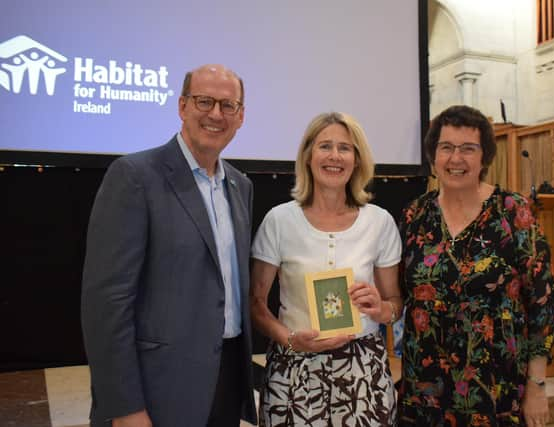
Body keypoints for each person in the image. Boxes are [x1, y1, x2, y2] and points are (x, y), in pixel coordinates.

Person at [81, 64, 257, 427]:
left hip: (225, 383)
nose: (215, 114)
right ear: (181, 106)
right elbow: (107, 304)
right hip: (158, 390)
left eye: (228, 106)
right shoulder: (134, 177)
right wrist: (125, 407)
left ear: (240, 116)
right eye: (204, 101)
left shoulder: (240, 186)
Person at [397, 105, 554, 427]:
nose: (456, 159)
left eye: (468, 149)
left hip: (495, 389)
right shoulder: (414, 216)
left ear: (484, 157)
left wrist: (537, 386)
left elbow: (542, 303)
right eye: (446, 147)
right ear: (433, 156)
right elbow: (398, 295)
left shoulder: (514, 212)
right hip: (425, 390)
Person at [250, 112, 402, 426]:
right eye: (325, 146)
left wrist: (381, 308)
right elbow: (256, 305)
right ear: (307, 156)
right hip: (293, 369)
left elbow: (395, 306)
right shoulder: (279, 221)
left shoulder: (379, 222)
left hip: (364, 371)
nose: (334, 156)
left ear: (357, 160)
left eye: (345, 148)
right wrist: (291, 339)